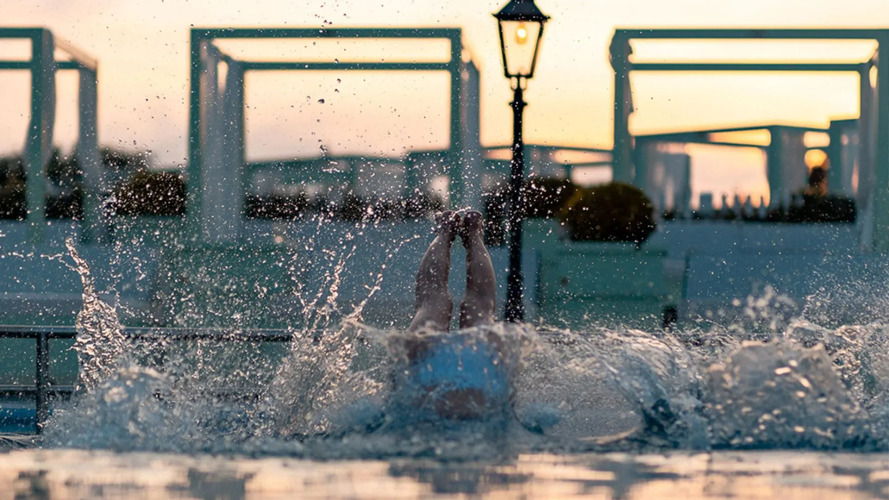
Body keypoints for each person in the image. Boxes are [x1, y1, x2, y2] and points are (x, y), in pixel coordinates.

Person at [402, 209, 505, 419]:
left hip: (423, 401)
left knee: (432, 302)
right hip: (479, 398)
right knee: (480, 305)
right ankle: (474, 235)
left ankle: (445, 232)